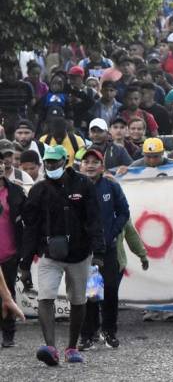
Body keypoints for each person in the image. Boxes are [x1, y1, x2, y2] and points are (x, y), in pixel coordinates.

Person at [19, 145, 105, 366]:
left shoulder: (83, 184)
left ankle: (72, 347)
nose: (50, 166)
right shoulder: (38, 190)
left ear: (65, 161)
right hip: (50, 254)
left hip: (80, 254)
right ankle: (50, 347)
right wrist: (25, 263)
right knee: (45, 297)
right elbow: (31, 227)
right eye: (47, 162)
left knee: (78, 300)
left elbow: (94, 219)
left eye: (55, 162)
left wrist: (98, 253)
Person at [77, 149, 130, 351]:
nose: (90, 165)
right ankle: (87, 335)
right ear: (80, 165)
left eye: (94, 162)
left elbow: (124, 212)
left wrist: (113, 232)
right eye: (86, 161)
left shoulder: (111, 187)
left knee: (110, 290)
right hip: (85, 251)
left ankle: (109, 331)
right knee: (90, 293)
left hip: (107, 249)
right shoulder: (75, 187)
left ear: (102, 166)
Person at [0, 170, 26, 348]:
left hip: (9, 252)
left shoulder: (15, 191)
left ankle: (8, 334)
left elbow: (29, 216)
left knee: (8, 293)